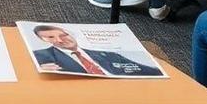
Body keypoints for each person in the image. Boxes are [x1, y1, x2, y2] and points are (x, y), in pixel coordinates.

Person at [31, 25, 162, 77]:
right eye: (51, 37)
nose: (60, 40)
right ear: (44, 40)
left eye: (63, 35)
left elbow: (148, 71)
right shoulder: (41, 56)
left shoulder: (107, 53)